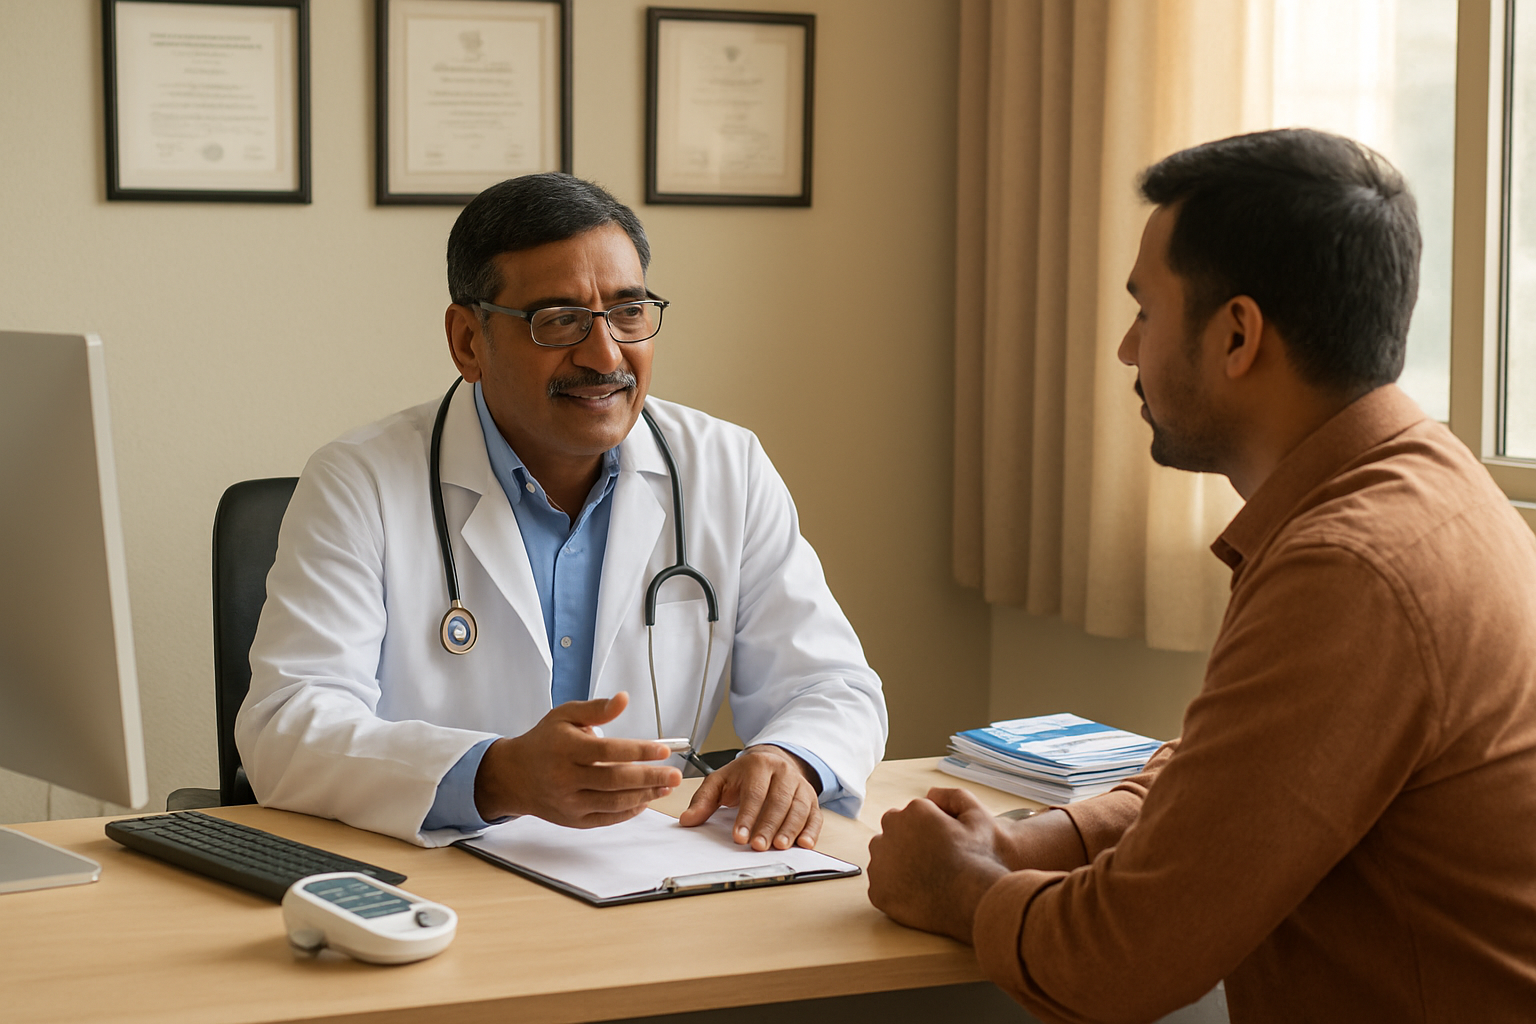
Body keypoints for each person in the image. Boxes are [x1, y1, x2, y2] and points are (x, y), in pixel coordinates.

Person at [866, 129, 1536, 1022]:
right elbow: (1220, 790)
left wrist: (958, 889)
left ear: (1237, 334)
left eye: (1146, 311)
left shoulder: (1351, 569)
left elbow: (1122, 959)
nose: (1126, 350)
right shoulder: (1425, 485)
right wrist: (1039, 843)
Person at [236, 173, 887, 850]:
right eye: (559, 321)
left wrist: (793, 759)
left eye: (628, 313)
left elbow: (832, 685)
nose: (605, 355)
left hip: (653, 869)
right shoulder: (360, 482)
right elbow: (286, 726)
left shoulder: (727, 467)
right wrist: (495, 775)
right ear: (468, 342)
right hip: (445, 881)